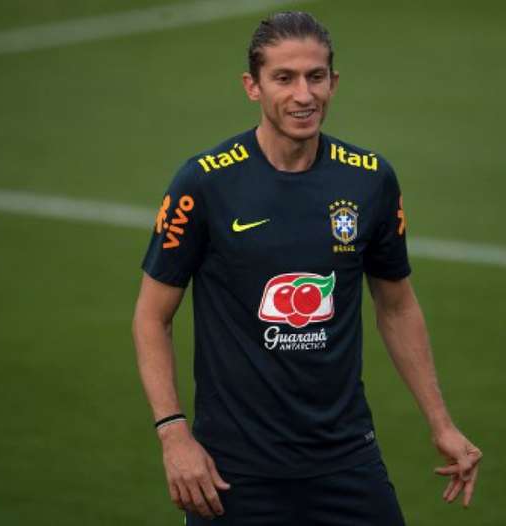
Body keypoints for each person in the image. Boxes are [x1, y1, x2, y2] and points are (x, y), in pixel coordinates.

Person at [132, 11, 481, 525]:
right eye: (284, 78)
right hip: (232, 471)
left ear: (334, 82)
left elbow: (397, 305)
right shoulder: (204, 183)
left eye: (316, 77)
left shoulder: (370, 180)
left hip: (345, 460)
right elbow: (150, 317)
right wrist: (173, 434)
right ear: (252, 87)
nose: (303, 95)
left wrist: (441, 422)